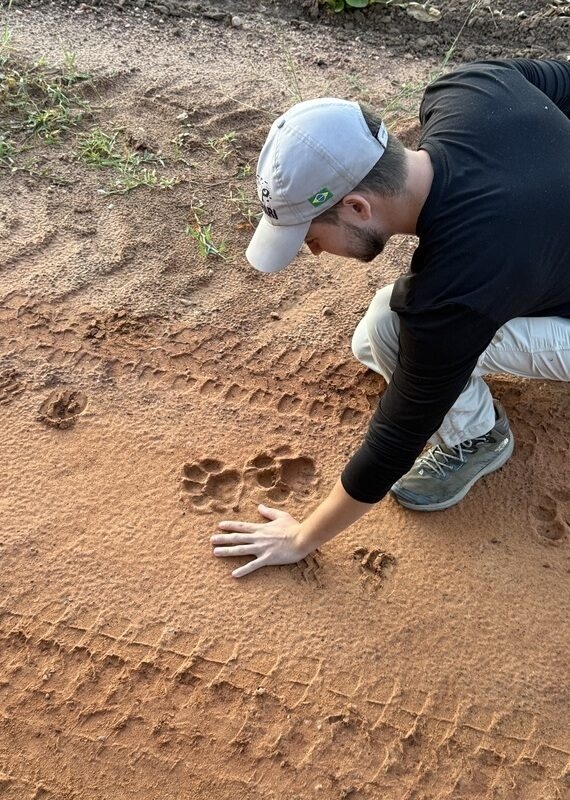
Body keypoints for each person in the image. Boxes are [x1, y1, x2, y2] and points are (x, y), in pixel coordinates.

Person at [210, 58, 570, 578]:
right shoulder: (470, 88)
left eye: (311, 237)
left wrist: (302, 536)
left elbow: (396, 437)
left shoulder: (455, 287)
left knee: (391, 329)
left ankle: (478, 439)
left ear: (357, 207)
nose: (313, 253)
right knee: (375, 339)